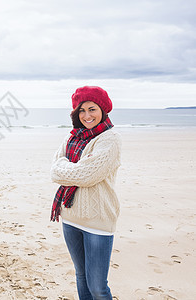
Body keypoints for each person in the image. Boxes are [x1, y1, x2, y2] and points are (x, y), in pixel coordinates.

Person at [50, 86, 121, 300]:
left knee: (98, 287)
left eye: (92, 109)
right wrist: (75, 169)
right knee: (81, 277)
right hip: (70, 217)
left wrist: (68, 167)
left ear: (103, 110)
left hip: (98, 221)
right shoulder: (72, 137)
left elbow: (87, 175)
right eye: (81, 111)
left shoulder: (109, 139)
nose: (87, 115)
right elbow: (54, 171)